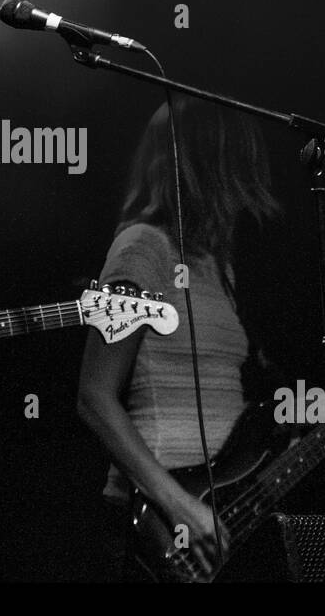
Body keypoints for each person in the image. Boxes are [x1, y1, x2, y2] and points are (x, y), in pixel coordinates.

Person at [76, 96, 282, 580]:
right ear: (210, 164)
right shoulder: (143, 248)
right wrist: (181, 506)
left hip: (219, 510)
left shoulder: (217, 264)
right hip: (158, 523)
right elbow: (94, 395)